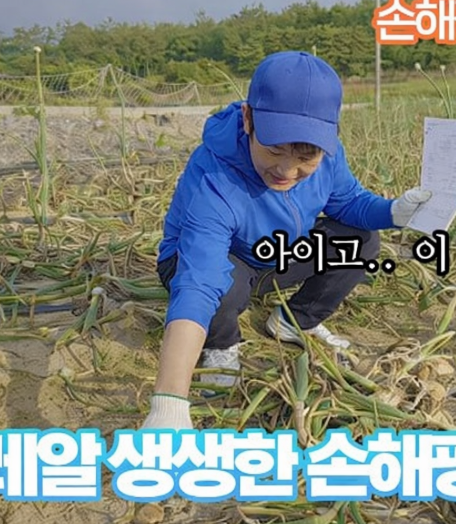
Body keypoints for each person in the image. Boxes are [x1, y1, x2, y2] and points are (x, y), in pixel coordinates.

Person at [140, 51, 431, 430]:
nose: (287, 171)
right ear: (249, 119)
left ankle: (294, 321)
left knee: (359, 239)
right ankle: (221, 344)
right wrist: (168, 401)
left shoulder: (328, 157)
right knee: (222, 289)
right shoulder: (214, 176)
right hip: (207, 262)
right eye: (274, 150)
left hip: (272, 255)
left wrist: (393, 212)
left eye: (305, 158)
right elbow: (200, 280)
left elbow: (349, 203)